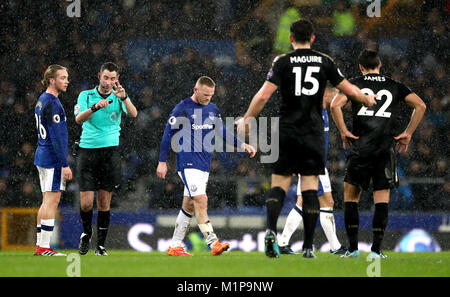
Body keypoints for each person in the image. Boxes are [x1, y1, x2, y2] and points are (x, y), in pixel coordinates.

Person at [237, 19, 376, 258]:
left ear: (291, 38)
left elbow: (263, 96)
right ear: (312, 38)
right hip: (312, 134)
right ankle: (309, 247)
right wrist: (366, 100)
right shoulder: (325, 61)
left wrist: (248, 118)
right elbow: (349, 89)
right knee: (310, 191)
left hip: (287, 131)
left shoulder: (281, 62)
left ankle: (271, 231)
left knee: (279, 185)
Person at [330, 49, 426, 258]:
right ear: (380, 64)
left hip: (360, 149)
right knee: (381, 200)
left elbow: (334, 105)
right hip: (384, 150)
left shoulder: (353, 84)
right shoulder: (394, 85)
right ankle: (376, 251)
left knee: (351, 199)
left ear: (361, 67)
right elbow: (420, 105)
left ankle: (353, 249)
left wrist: (344, 131)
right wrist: (408, 133)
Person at [156, 76, 256, 256]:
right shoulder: (183, 108)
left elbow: (222, 131)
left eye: (211, 95)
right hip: (187, 162)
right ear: (196, 90)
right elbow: (167, 134)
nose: (208, 98)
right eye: (205, 95)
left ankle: (175, 245)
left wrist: (242, 145)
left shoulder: (212, 109)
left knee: (189, 205)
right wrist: (162, 161)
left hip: (204, 164)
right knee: (201, 200)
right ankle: (213, 242)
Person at [74, 62, 138, 256]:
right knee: (86, 203)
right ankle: (86, 233)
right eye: (106, 77)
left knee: (104, 203)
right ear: (99, 76)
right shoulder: (86, 95)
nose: (109, 82)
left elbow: (134, 114)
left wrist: (124, 97)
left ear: (116, 79)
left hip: (110, 153)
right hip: (87, 152)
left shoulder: (118, 96)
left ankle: (100, 246)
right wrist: (94, 107)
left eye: (113, 79)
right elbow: (78, 119)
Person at [278, 85, 346, 255]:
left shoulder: (322, 112)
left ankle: (282, 242)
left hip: (316, 163)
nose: (336, 100)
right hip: (311, 163)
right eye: (335, 95)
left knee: (303, 202)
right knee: (326, 203)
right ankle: (335, 246)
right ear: (326, 94)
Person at [34, 64, 73, 256]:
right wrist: (64, 163)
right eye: (63, 78)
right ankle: (44, 247)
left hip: (42, 155)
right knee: (52, 201)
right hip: (52, 159)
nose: (67, 81)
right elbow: (56, 138)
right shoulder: (54, 104)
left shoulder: (42, 100)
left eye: (67, 77)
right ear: (52, 80)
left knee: (45, 201)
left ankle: (40, 246)